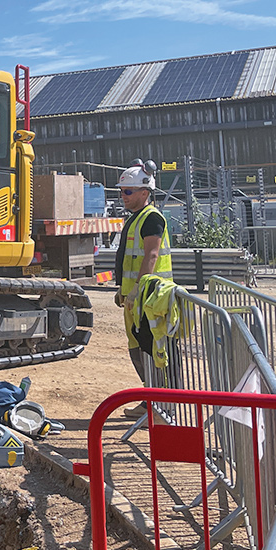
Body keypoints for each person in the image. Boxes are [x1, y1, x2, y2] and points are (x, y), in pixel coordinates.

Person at [114, 160, 173, 418]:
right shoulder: (137, 219)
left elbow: (150, 255)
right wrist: (123, 289)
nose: (123, 196)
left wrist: (137, 289)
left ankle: (163, 402)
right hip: (135, 299)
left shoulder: (152, 219)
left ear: (144, 193)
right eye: (122, 191)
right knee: (137, 348)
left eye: (128, 191)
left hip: (151, 299)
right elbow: (130, 259)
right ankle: (152, 398)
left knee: (153, 350)